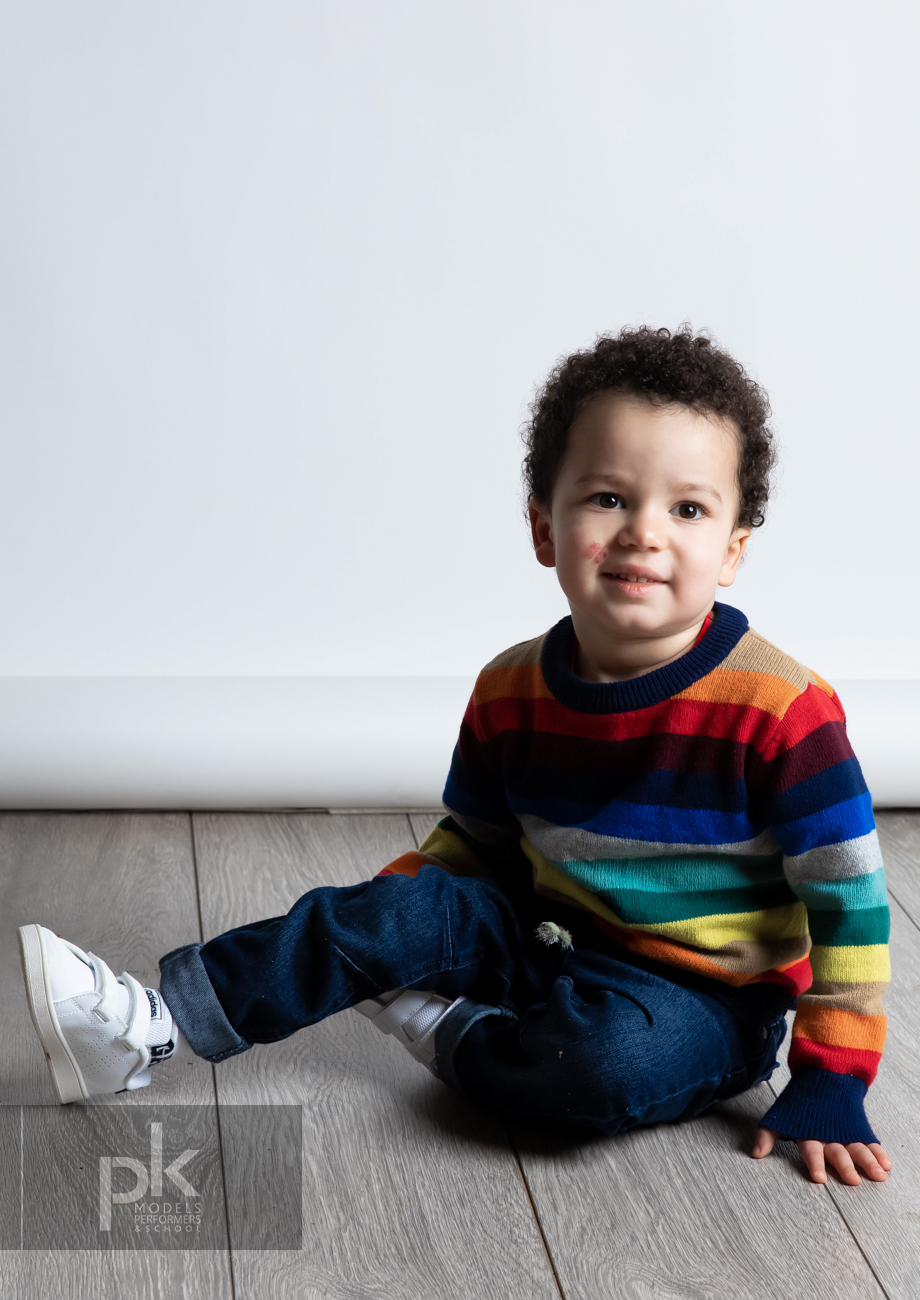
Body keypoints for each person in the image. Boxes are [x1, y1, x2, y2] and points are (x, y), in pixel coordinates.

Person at [19, 326, 892, 1188]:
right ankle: (148, 1024)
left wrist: (830, 1077)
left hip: (702, 999)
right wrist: (386, 924)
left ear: (733, 550)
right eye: (608, 498)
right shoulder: (511, 686)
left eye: (688, 510)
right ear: (544, 528)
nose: (643, 533)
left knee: (598, 1065)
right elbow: (475, 842)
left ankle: (450, 1032)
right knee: (375, 915)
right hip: (541, 934)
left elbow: (848, 904)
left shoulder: (782, 709)